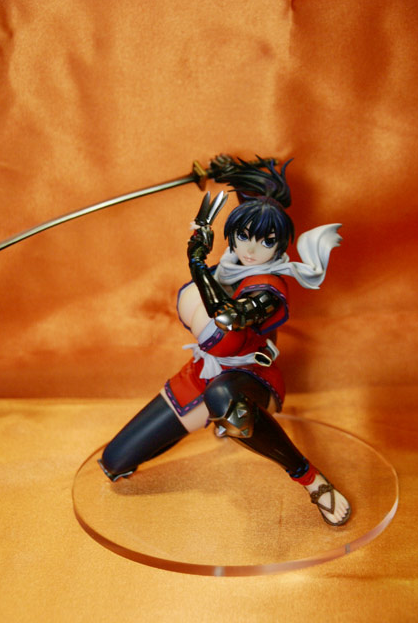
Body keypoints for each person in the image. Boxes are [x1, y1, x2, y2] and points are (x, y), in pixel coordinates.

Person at [98, 158, 351, 526]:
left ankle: (312, 480)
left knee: (226, 402)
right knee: (114, 461)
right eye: (244, 235)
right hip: (202, 372)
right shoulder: (231, 264)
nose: (252, 249)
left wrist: (197, 264)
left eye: (266, 241)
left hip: (248, 377)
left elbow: (226, 319)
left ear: (280, 245)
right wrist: (227, 172)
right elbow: (256, 203)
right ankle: (210, 419)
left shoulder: (269, 287)